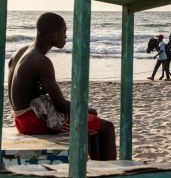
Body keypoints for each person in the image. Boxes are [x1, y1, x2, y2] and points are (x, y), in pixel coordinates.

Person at [8, 12, 116, 160]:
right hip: (32, 122)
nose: (66, 37)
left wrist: (38, 91)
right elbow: (61, 105)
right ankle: (110, 171)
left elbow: (20, 92)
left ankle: (96, 168)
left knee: (90, 125)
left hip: (20, 118)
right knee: (107, 128)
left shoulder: (21, 52)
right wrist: (86, 109)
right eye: (64, 33)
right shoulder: (42, 61)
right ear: (53, 36)